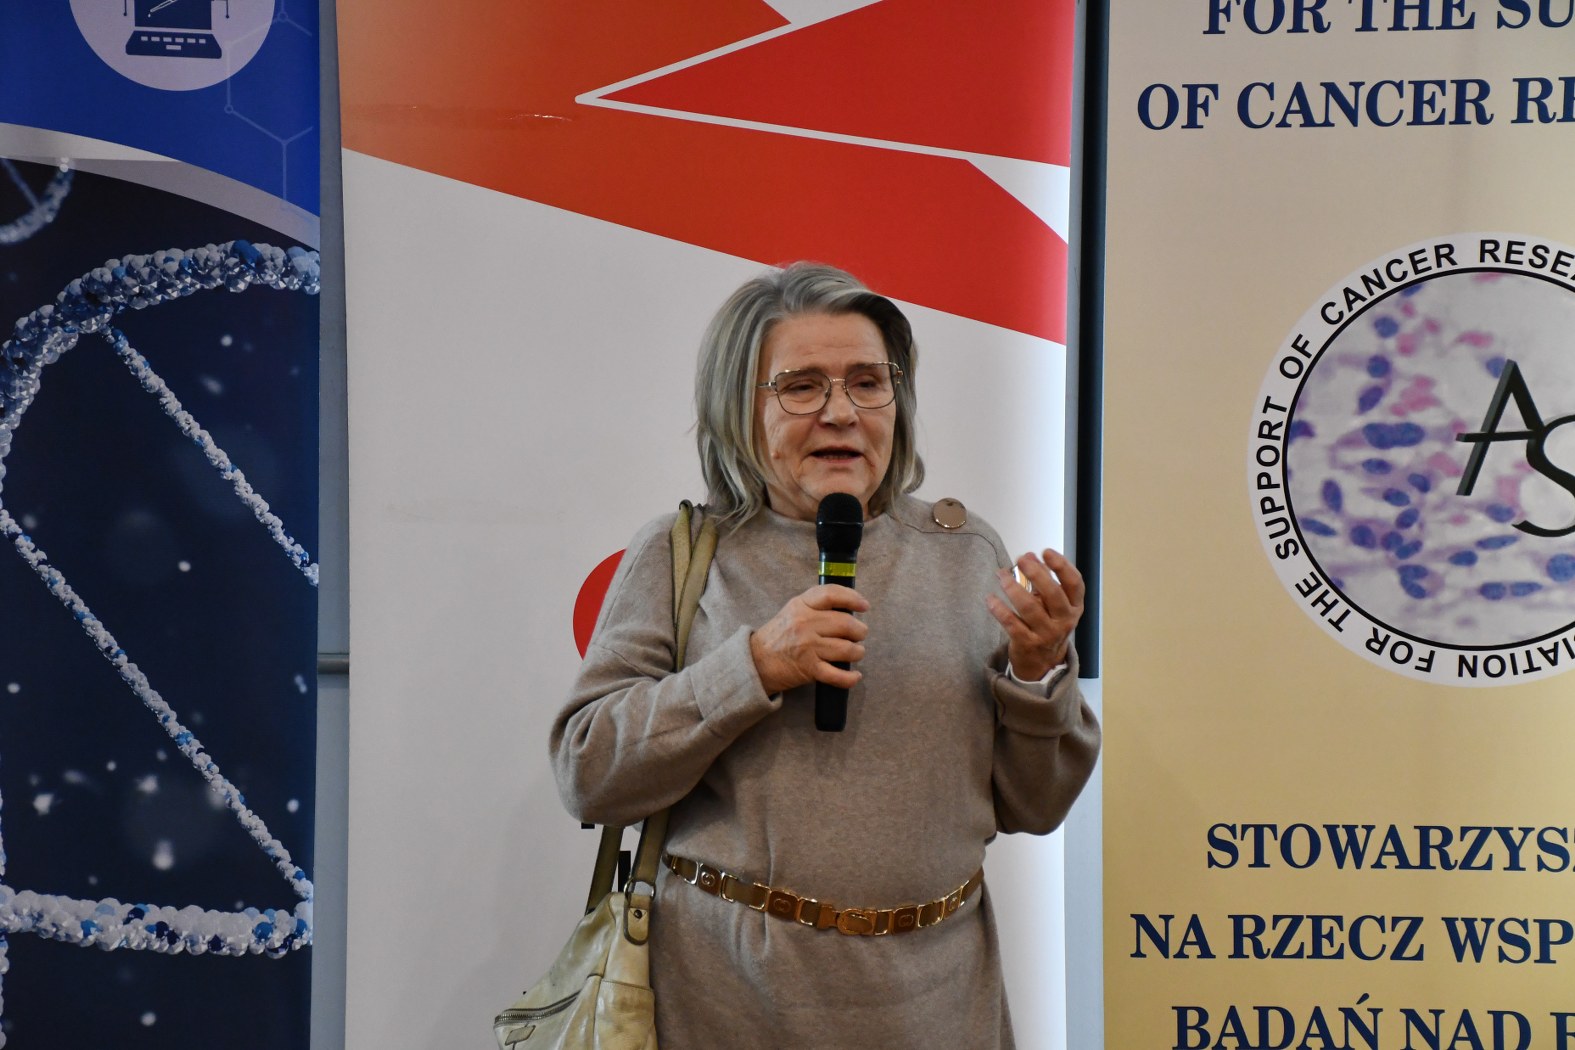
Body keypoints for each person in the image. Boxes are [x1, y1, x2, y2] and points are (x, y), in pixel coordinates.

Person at [549, 262, 1100, 1048]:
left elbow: (1035, 807)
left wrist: (1037, 673)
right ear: (738, 408)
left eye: (867, 383)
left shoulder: (965, 552)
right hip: (726, 997)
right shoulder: (681, 555)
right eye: (801, 387)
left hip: (935, 1002)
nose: (840, 412)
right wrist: (752, 667)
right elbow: (588, 773)